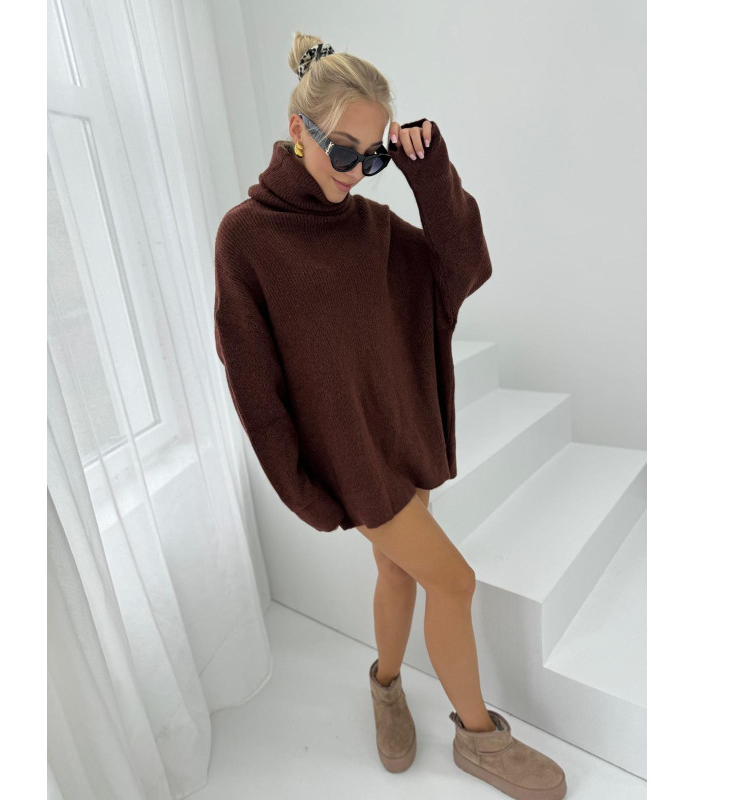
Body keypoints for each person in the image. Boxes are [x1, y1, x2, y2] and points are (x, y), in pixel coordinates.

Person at [214, 32, 566, 800]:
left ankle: (383, 685)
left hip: (403, 436)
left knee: (396, 571)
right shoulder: (247, 237)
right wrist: (301, 487)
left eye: (371, 158)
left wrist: (427, 173)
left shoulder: (372, 228)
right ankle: (479, 738)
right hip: (350, 461)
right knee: (455, 581)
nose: (355, 172)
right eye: (344, 151)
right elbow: (253, 382)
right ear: (298, 128)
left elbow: (462, 268)